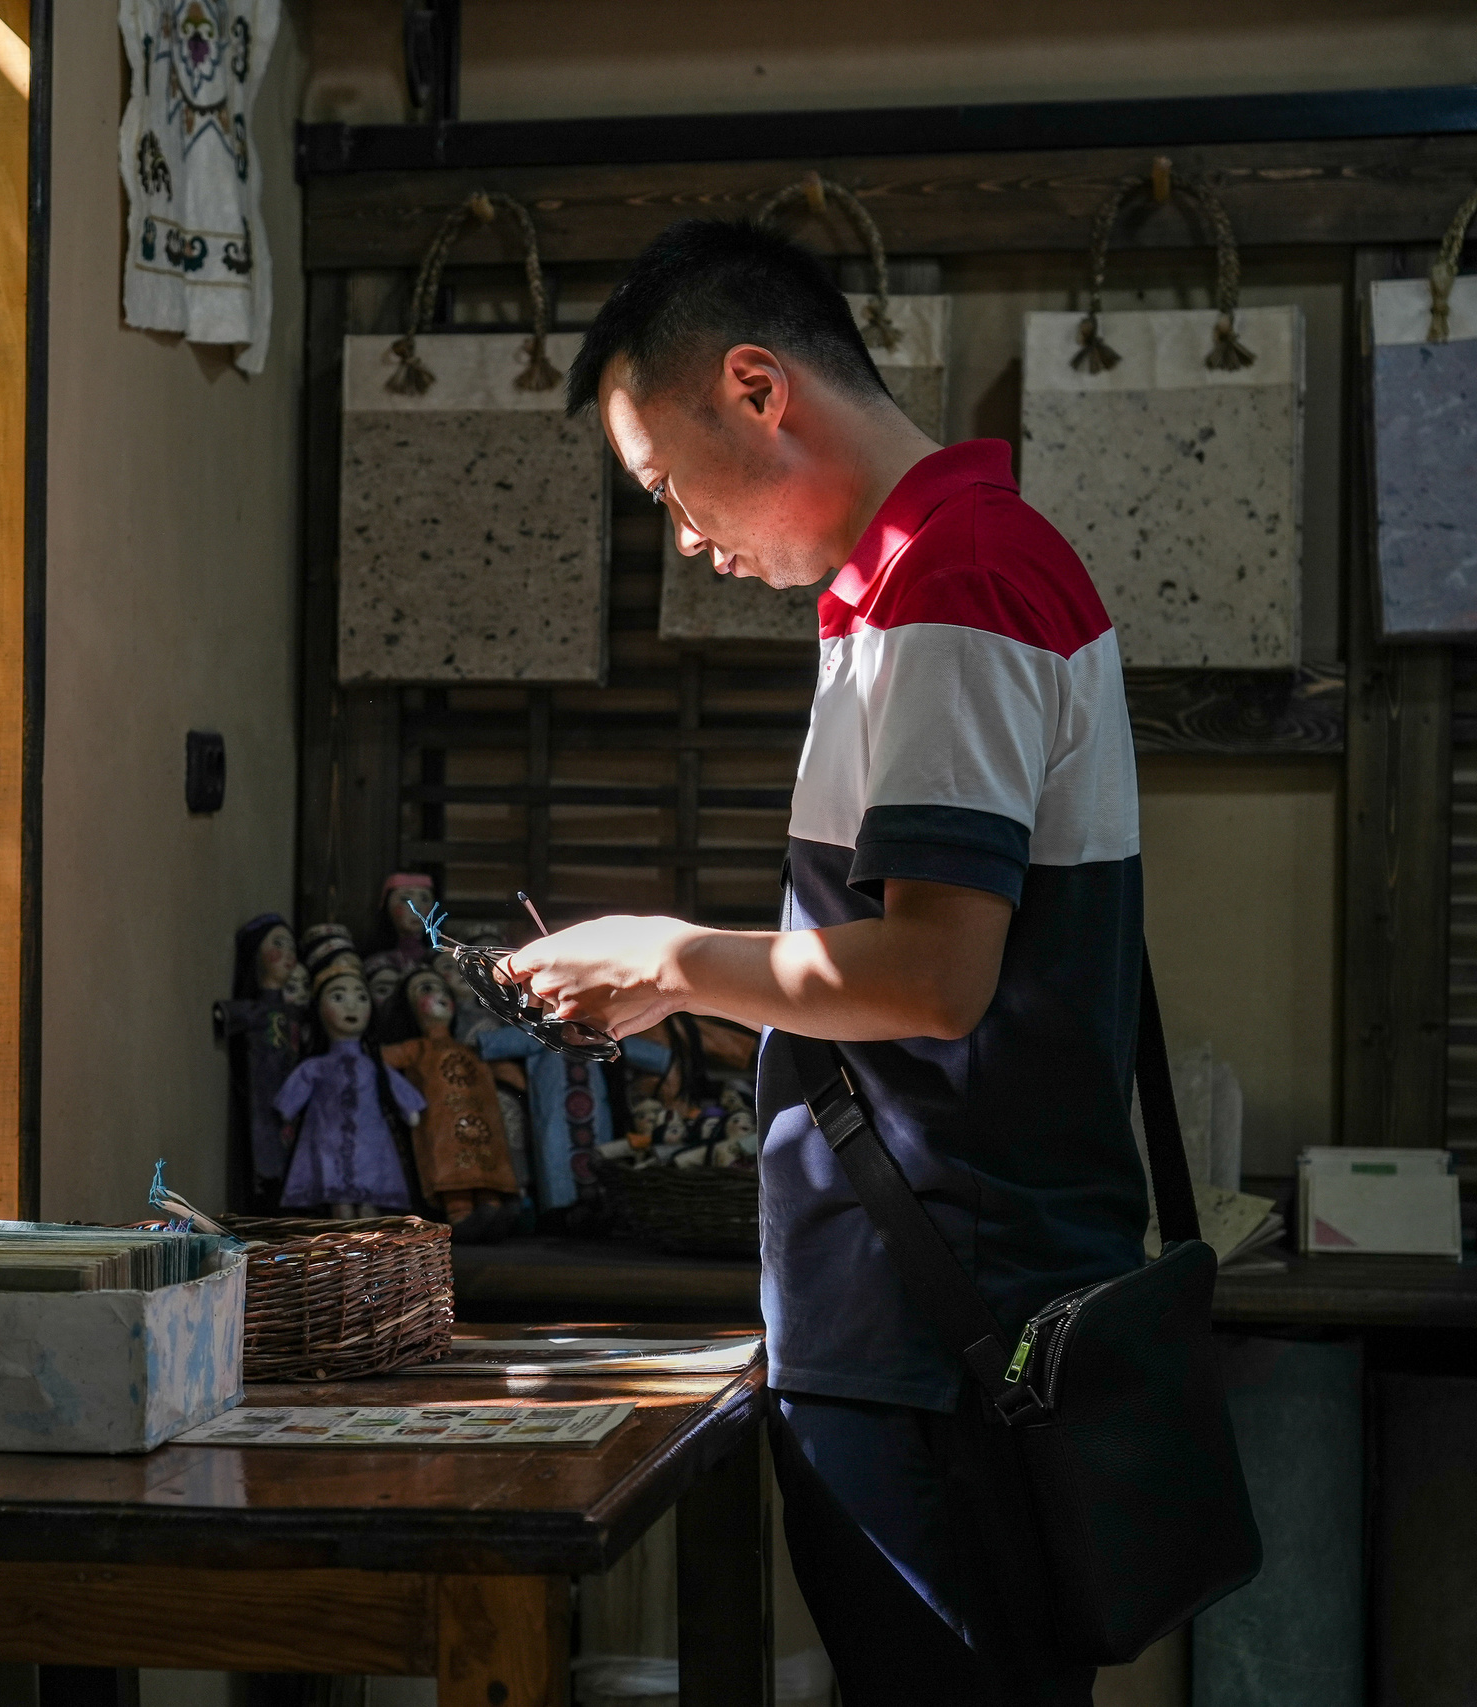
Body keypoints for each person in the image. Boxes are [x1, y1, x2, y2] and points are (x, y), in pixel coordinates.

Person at [505, 219, 1145, 1707]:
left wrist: (672, 954)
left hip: (944, 1325)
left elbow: (932, 980)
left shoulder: (957, 579)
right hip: (924, 1307)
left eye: (665, 483)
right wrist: (678, 981)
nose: (680, 535)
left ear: (755, 387)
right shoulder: (914, 580)